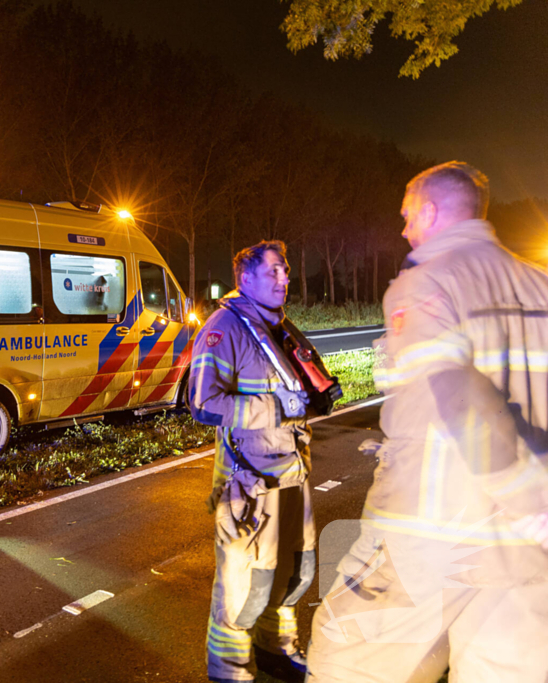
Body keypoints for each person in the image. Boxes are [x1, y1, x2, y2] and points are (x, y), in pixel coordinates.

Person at [306, 162, 548, 682]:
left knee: (343, 662)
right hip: (526, 555)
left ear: (431, 211)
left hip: (429, 534)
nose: (403, 230)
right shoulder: (540, 286)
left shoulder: (427, 285)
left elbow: (458, 398)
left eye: (407, 215)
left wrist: (531, 501)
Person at [189, 240, 315, 683]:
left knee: (290, 574)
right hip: (249, 484)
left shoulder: (278, 327)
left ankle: (277, 650)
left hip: (291, 474)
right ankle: (230, 671)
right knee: (243, 588)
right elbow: (202, 403)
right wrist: (275, 408)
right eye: (275, 271)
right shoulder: (225, 326)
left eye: (285, 270)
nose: (285, 278)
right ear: (246, 278)